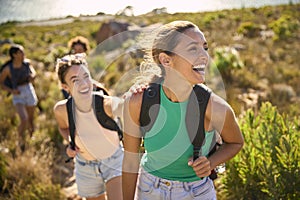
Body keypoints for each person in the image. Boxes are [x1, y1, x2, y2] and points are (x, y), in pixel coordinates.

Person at [122, 20, 244, 200]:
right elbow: (131, 160)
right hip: (149, 189)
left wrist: (210, 162)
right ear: (166, 60)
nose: (204, 56)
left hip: (197, 192)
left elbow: (235, 143)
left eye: (205, 48)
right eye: (193, 49)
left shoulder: (215, 108)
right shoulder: (138, 102)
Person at [53, 53, 123, 200]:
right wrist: (71, 142)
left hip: (113, 160)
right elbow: (63, 128)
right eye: (75, 80)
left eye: (86, 76)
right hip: (85, 166)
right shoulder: (62, 110)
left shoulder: (105, 103)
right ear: (66, 87)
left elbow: (129, 108)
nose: (84, 83)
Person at [0, 44, 38, 152]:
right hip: (17, 94)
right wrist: (11, 91)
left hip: (29, 91)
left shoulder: (27, 63)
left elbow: (33, 72)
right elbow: (1, 83)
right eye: (21, 52)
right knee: (24, 118)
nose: (23, 54)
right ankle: (19, 141)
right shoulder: (8, 68)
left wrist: (33, 76)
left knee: (31, 119)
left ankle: (31, 139)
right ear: (14, 55)